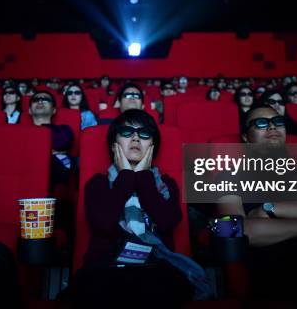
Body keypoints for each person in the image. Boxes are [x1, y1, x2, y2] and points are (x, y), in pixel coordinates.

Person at [63, 110, 208, 304]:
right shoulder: (98, 183)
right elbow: (104, 223)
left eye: (144, 133)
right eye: (126, 132)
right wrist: (126, 176)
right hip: (106, 270)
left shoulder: (167, 185)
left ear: (152, 146)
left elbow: (167, 222)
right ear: (114, 144)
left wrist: (143, 177)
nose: (136, 137)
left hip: (156, 269)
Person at [217, 105, 297, 302]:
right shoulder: (228, 176)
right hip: (276, 259)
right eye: (261, 123)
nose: (272, 127)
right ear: (245, 137)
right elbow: (234, 231)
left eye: (278, 122)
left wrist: (271, 208)